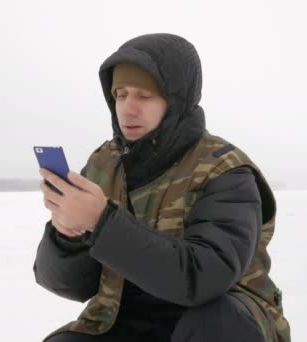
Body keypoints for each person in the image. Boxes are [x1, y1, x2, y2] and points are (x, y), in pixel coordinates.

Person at [33, 33, 290, 342]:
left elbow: (205, 278)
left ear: (176, 101)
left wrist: (100, 221)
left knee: (215, 322)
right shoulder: (105, 164)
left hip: (222, 321)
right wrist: (66, 237)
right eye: (121, 94)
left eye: (144, 96)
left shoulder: (226, 170)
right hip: (126, 321)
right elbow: (71, 286)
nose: (128, 109)